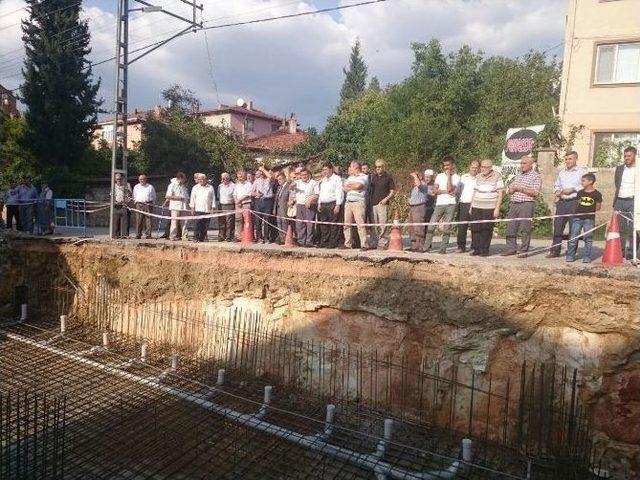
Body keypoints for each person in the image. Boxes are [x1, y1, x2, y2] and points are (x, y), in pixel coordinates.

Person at [547, 151, 586, 258]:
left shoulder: (581, 172)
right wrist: (557, 192)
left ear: (575, 159)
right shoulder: (562, 172)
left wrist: (573, 189)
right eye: (566, 159)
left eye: (570, 159)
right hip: (562, 202)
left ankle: (571, 252)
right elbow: (556, 185)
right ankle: (555, 251)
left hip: (575, 202)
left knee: (574, 229)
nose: (568, 161)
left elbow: (585, 186)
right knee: (558, 227)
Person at [501, 156, 542, 256]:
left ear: (530, 165)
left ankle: (523, 250)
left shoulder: (535, 176)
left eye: (524, 163)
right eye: (521, 163)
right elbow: (511, 188)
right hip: (514, 203)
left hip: (526, 204)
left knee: (524, 228)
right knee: (511, 227)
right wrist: (510, 189)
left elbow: (535, 192)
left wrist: (520, 189)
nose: (522, 165)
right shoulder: (519, 174)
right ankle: (511, 248)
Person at [424, 157, 460, 254]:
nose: (446, 167)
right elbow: (435, 191)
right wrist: (447, 192)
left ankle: (442, 249)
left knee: (447, 227)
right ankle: (426, 247)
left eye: (448, 165)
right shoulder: (439, 176)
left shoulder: (456, 177)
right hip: (440, 204)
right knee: (431, 225)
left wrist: (449, 176)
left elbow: (451, 189)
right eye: (444, 165)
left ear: (452, 165)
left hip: (451, 204)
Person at [469, 160, 504, 257]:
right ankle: (476, 249)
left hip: (489, 207)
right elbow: (475, 192)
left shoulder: (497, 176)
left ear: (490, 167)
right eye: (482, 167)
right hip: (476, 205)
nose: (482, 169)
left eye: (485, 167)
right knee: (475, 228)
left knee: (486, 228)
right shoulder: (478, 176)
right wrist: (471, 206)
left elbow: (500, 193)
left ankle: (484, 250)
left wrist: (497, 208)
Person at [567, 173, 602, 263]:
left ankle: (586, 256)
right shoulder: (580, 192)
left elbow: (598, 206)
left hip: (589, 219)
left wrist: (590, 210)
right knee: (573, 237)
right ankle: (570, 255)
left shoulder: (597, 194)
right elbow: (577, 203)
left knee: (588, 238)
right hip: (577, 218)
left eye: (583, 181)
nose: (581, 182)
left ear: (590, 182)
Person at [613, 146, 637, 260]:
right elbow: (617, 184)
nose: (626, 158)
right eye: (625, 156)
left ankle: (632, 252)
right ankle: (620, 251)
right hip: (620, 200)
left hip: (634, 201)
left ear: (634, 156)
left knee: (633, 228)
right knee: (620, 228)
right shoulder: (619, 169)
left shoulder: (638, 169)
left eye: (629, 156)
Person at [368, 159, 395, 249]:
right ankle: (374, 243)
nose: (377, 168)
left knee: (383, 224)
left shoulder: (388, 177)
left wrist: (386, 199)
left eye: (379, 167)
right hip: (373, 203)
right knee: (374, 224)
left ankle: (383, 244)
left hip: (383, 204)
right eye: (376, 167)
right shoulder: (373, 177)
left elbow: (392, 191)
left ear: (383, 167)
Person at [342, 161, 369, 250]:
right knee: (347, 224)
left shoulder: (364, 176)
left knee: (360, 224)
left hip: (358, 202)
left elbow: (359, 186)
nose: (350, 169)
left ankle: (364, 244)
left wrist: (352, 186)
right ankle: (348, 244)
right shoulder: (350, 177)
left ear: (355, 167)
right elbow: (344, 188)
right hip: (349, 202)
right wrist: (355, 187)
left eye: (351, 167)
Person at [317, 162, 344, 249]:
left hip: (333, 203)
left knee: (333, 224)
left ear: (331, 169)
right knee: (324, 224)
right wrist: (319, 203)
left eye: (326, 169)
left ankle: (333, 242)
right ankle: (324, 241)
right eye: (323, 170)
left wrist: (338, 204)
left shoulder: (337, 179)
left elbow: (339, 192)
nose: (324, 171)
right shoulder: (323, 180)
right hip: (323, 204)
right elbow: (321, 193)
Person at [291, 168, 319, 247]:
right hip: (299, 205)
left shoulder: (313, 183)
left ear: (309, 175)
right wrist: (292, 185)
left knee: (309, 224)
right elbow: (292, 187)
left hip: (309, 205)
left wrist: (310, 200)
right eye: (302, 175)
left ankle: (309, 241)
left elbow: (316, 194)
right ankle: (301, 241)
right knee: (300, 224)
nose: (304, 176)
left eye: (305, 174)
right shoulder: (298, 182)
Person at [456, 160, 480, 253]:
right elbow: (458, 191)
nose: (474, 169)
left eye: (476, 167)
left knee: (475, 226)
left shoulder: (480, 178)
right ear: (469, 167)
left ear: (479, 168)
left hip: (476, 204)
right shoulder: (463, 177)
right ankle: (461, 246)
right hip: (464, 203)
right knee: (462, 226)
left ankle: (475, 246)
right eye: (473, 167)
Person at [189, 173, 217, 242]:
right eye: (199, 179)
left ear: (205, 179)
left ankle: (202, 239)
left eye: (202, 179)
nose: (200, 181)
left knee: (205, 226)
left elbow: (213, 198)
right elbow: (192, 198)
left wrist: (213, 208)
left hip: (207, 209)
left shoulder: (210, 187)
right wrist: (192, 208)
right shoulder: (195, 187)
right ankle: (195, 238)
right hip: (198, 209)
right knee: (197, 225)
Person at [408, 171, 431, 252]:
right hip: (412, 207)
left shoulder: (423, 184)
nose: (415, 178)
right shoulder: (415, 187)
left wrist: (415, 175)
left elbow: (419, 184)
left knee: (418, 227)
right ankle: (414, 245)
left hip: (419, 207)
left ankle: (420, 246)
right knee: (412, 228)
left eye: (417, 176)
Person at [252, 167, 276, 243]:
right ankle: (259, 237)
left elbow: (270, 177)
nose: (261, 174)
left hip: (267, 201)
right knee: (258, 220)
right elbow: (251, 192)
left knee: (267, 219)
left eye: (262, 172)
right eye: (260, 172)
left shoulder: (269, 180)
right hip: (258, 201)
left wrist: (263, 169)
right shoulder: (256, 181)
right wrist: (256, 193)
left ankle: (266, 237)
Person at [165, 172, 189, 241]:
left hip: (183, 207)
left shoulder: (183, 186)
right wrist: (179, 198)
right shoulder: (172, 185)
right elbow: (167, 196)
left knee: (185, 222)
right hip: (175, 207)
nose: (185, 180)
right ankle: (172, 236)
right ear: (180, 178)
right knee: (174, 222)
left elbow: (186, 197)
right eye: (184, 178)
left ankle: (184, 237)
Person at [132, 174, 156, 239]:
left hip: (148, 204)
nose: (142, 180)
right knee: (138, 220)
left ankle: (148, 235)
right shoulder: (136, 187)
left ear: (146, 179)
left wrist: (152, 204)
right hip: (139, 204)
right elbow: (134, 196)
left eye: (143, 179)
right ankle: (138, 234)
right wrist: (136, 202)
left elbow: (154, 196)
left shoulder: (150, 187)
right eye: (140, 179)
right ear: (139, 180)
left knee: (148, 220)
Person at [273, 170, 292, 244]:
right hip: (278, 209)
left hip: (285, 208)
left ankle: (286, 238)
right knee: (279, 223)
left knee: (284, 223)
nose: (279, 181)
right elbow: (276, 199)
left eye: (280, 179)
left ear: (284, 178)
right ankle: (282, 239)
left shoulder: (288, 186)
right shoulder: (279, 188)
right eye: (278, 180)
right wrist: (274, 209)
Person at [234, 170, 253, 241]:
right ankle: (238, 236)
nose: (240, 178)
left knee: (247, 220)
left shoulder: (249, 184)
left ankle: (247, 236)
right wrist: (236, 201)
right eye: (238, 177)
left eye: (241, 177)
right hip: (238, 205)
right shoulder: (237, 185)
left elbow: (247, 194)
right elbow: (234, 194)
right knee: (238, 220)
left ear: (245, 176)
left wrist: (239, 200)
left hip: (246, 204)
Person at [112, 173, 131, 238]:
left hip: (125, 204)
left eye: (120, 179)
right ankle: (117, 234)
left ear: (122, 179)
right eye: (117, 179)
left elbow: (130, 195)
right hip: (117, 204)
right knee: (117, 220)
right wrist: (114, 201)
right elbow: (111, 195)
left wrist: (126, 202)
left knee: (126, 220)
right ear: (115, 179)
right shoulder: (113, 186)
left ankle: (126, 234)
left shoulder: (127, 185)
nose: (119, 180)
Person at [218, 172, 236, 242]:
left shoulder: (233, 185)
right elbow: (218, 196)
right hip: (221, 205)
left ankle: (229, 236)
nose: (224, 179)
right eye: (222, 178)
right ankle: (221, 236)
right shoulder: (220, 186)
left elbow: (234, 196)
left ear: (228, 178)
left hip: (230, 205)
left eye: (225, 178)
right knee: (221, 222)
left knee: (229, 222)